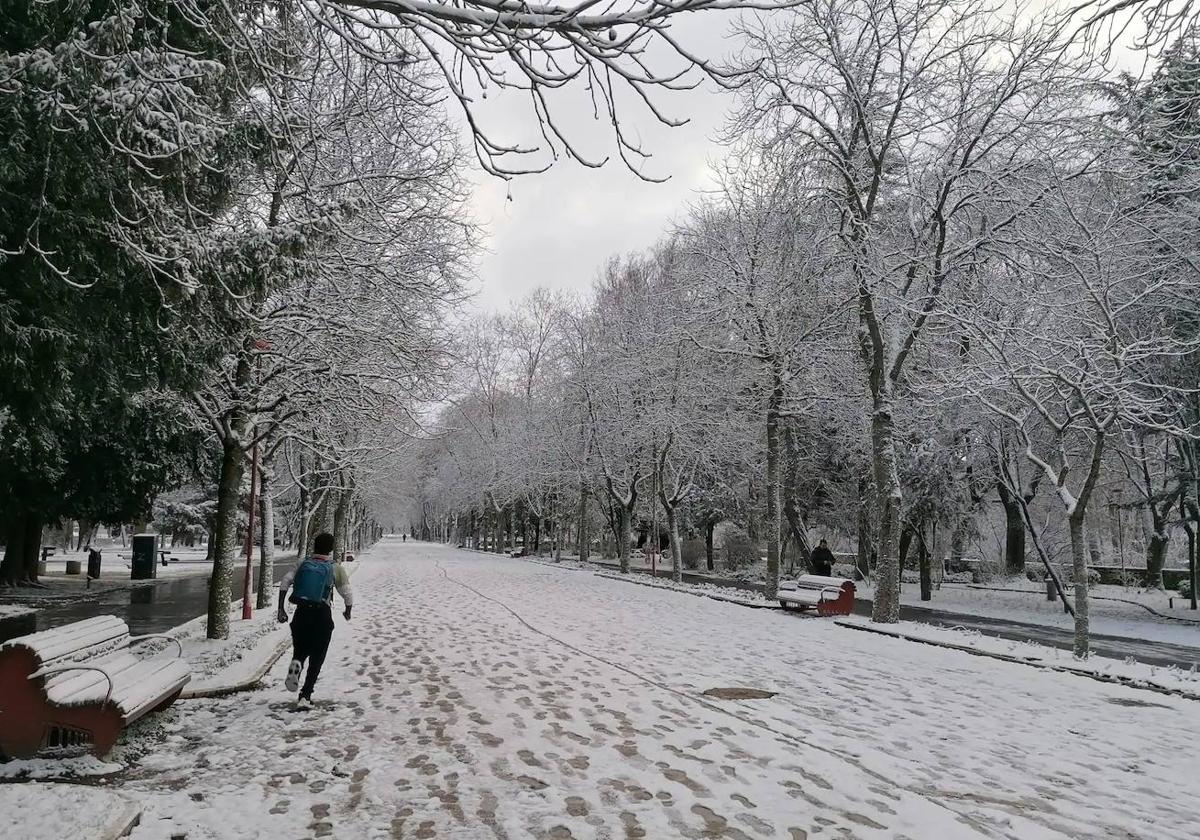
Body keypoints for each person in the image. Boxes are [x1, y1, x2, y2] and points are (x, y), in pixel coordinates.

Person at [277, 532, 353, 708]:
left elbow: (285, 582)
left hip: (301, 614)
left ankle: (297, 663)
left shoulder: (303, 563)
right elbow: (347, 592)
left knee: (301, 648)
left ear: (314, 546)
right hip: (322, 615)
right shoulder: (335, 568)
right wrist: (348, 610)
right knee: (318, 656)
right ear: (331, 549)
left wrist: (281, 608)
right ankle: (306, 694)